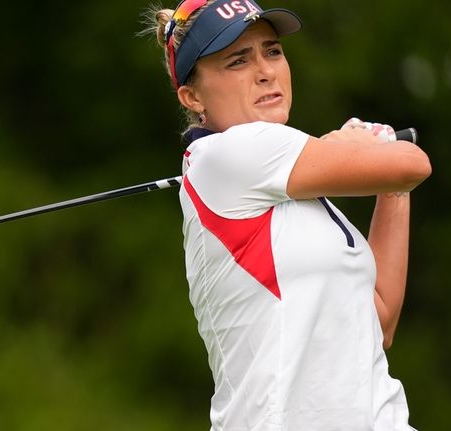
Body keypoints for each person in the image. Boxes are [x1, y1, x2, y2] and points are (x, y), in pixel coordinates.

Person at [144, 1, 432, 430]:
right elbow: (415, 163)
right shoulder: (225, 155)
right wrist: (365, 148)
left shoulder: (304, 199)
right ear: (193, 96)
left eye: (272, 51)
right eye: (238, 60)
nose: (265, 70)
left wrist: (391, 188)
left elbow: (379, 321)